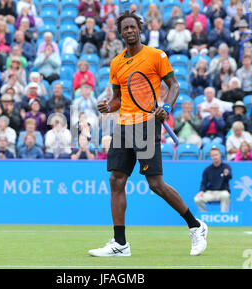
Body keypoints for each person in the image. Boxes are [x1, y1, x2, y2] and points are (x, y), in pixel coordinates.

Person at [91, 11, 208, 258]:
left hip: (147, 124)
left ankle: (195, 226)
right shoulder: (116, 63)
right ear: (121, 32)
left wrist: (166, 107)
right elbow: (118, 99)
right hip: (123, 126)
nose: (130, 31)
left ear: (139, 29)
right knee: (116, 180)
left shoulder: (156, 56)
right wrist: (107, 107)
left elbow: (174, 85)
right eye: (126, 28)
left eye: (133, 27)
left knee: (155, 184)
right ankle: (120, 244)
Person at [194, 147, 232, 212]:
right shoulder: (207, 170)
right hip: (210, 193)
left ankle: (224, 217)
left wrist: (227, 174)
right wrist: (201, 191)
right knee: (197, 199)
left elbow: (230, 177)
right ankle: (205, 216)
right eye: (213, 155)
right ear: (211, 157)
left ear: (220, 155)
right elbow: (203, 183)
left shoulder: (226, 167)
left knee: (226, 195)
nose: (215, 157)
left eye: (216, 155)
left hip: (222, 192)